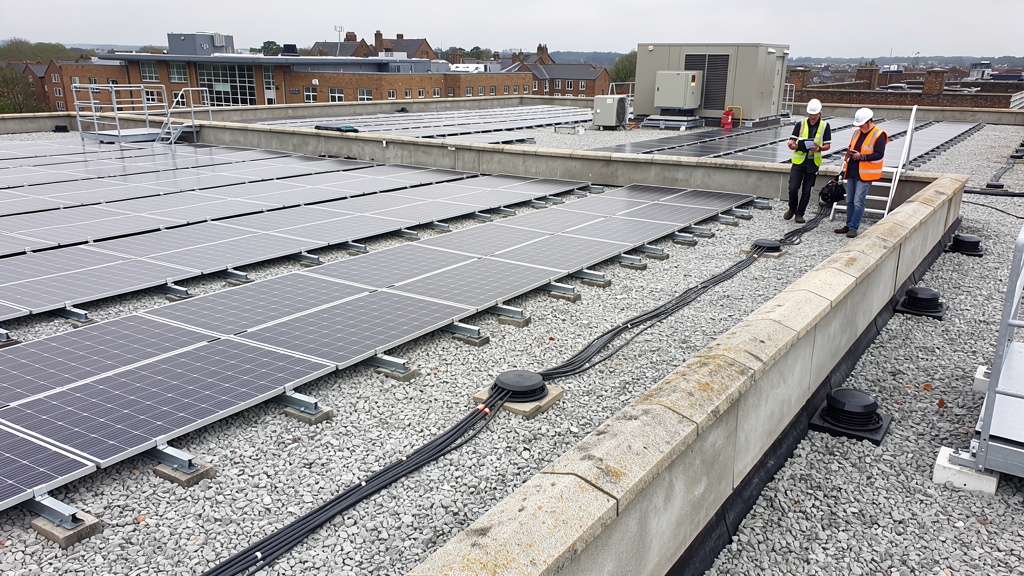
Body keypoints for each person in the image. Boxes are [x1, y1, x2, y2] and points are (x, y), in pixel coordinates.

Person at [835, 107, 887, 238]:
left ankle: (853, 227)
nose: (860, 127)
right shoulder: (856, 133)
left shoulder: (879, 134)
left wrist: (862, 156)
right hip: (852, 170)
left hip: (865, 174)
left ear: (869, 121)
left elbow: (879, 154)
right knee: (850, 200)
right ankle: (849, 225)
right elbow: (851, 147)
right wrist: (849, 155)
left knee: (858, 202)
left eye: (861, 124)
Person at [785, 99, 831, 223]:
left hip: (813, 163)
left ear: (819, 114)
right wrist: (792, 145)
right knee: (793, 188)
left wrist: (819, 148)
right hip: (799, 161)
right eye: (810, 114)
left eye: (814, 115)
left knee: (806, 190)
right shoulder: (800, 124)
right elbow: (792, 140)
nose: (812, 117)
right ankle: (792, 208)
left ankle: (800, 214)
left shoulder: (825, 126)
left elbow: (828, 145)